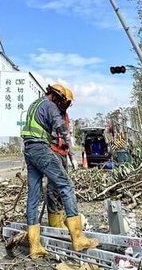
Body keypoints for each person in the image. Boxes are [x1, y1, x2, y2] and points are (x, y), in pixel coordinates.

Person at [21, 84, 99, 259]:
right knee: (66, 186)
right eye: (64, 102)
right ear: (57, 97)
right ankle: (78, 238)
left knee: (34, 194)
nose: (63, 106)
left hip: (29, 149)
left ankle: (35, 246)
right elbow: (60, 126)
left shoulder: (35, 104)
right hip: (41, 149)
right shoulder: (50, 106)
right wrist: (69, 142)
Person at [44, 85, 74, 228]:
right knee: (54, 186)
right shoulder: (50, 111)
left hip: (63, 153)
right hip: (53, 151)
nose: (66, 105)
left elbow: (67, 133)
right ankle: (54, 220)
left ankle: (61, 215)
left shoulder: (65, 116)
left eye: (68, 103)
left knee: (64, 185)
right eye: (65, 102)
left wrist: (70, 152)